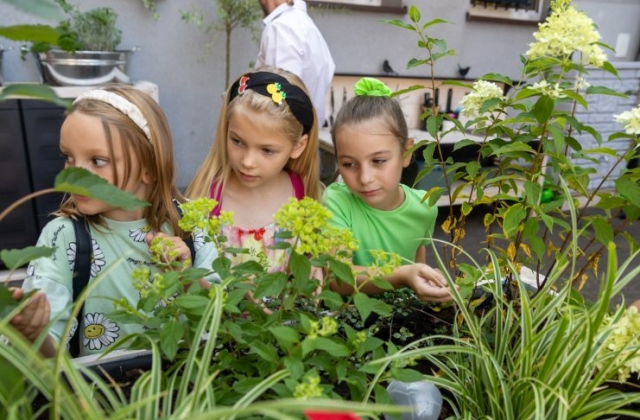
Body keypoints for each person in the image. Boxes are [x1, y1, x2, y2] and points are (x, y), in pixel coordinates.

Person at [10, 84, 220, 358]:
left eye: (98, 160)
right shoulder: (62, 237)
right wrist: (31, 331)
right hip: (98, 397)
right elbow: (47, 356)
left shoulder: (190, 224)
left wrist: (188, 278)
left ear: (149, 167)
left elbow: (223, 319)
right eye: (68, 157)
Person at [322, 77, 452, 302]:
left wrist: (428, 280)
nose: (364, 178)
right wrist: (403, 275)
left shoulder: (424, 206)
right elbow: (337, 278)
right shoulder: (337, 201)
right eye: (349, 164)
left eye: (379, 161)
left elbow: (417, 262)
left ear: (406, 153)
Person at [186, 67, 322, 272]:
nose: (248, 162)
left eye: (267, 150)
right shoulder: (206, 199)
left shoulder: (304, 197)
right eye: (237, 141)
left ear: (298, 146)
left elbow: (309, 264)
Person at [255, 0, 335, 127]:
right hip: (304, 134)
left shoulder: (281, 27)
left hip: (283, 135)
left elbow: (281, 97)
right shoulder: (308, 27)